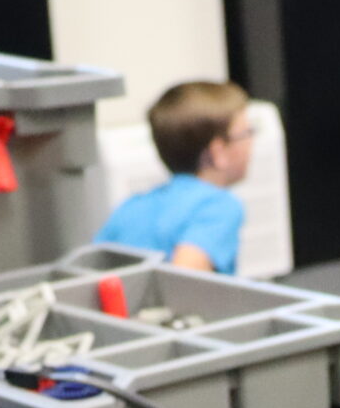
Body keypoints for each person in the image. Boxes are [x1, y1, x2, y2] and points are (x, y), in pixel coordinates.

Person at [96, 79, 254, 274]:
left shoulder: (130, 207)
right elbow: (184, 279)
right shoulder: (218, 206)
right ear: (218, 151)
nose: (252, 142)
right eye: (247, 133)